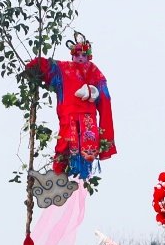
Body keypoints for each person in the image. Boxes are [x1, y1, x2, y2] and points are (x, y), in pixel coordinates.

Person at [24, 34, 116, 179]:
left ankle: (78, 181)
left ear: (89, 56)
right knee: (62, 151)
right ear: (72, 55)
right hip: (68, 119)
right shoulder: (63, 68)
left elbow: (105, 105)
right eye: (77, 54)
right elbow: (45, 65)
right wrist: (33, 67)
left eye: (84, 54)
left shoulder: (95, 73)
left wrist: (106, 139)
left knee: (86, 155)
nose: (80, 57)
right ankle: (58, 181)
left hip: (88, 122)